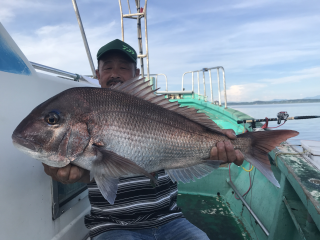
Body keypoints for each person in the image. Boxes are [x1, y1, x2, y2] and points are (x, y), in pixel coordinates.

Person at [43, 39, 244, 240]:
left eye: (123, 67)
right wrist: (61, 169)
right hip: (112, 226)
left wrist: (217, 151)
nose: (115, 73)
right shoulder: (88, 109)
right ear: (97, 74)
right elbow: (88, 172)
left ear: (137, 74)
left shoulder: (155, 107)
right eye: (108, 67)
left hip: (170, 219)